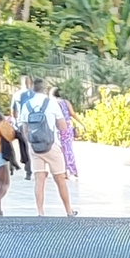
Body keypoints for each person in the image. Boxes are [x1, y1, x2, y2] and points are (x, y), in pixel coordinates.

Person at [19, 75, 76, 216]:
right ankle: (68, 210)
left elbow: (24, 130)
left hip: (35, 146)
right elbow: (63, 126)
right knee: (60, 179)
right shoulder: (51, 104)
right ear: (45, 89)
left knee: (39, 179)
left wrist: (31, 142)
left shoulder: (26, 106)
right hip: (52, 146)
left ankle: (40, 211)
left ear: (32, 89)